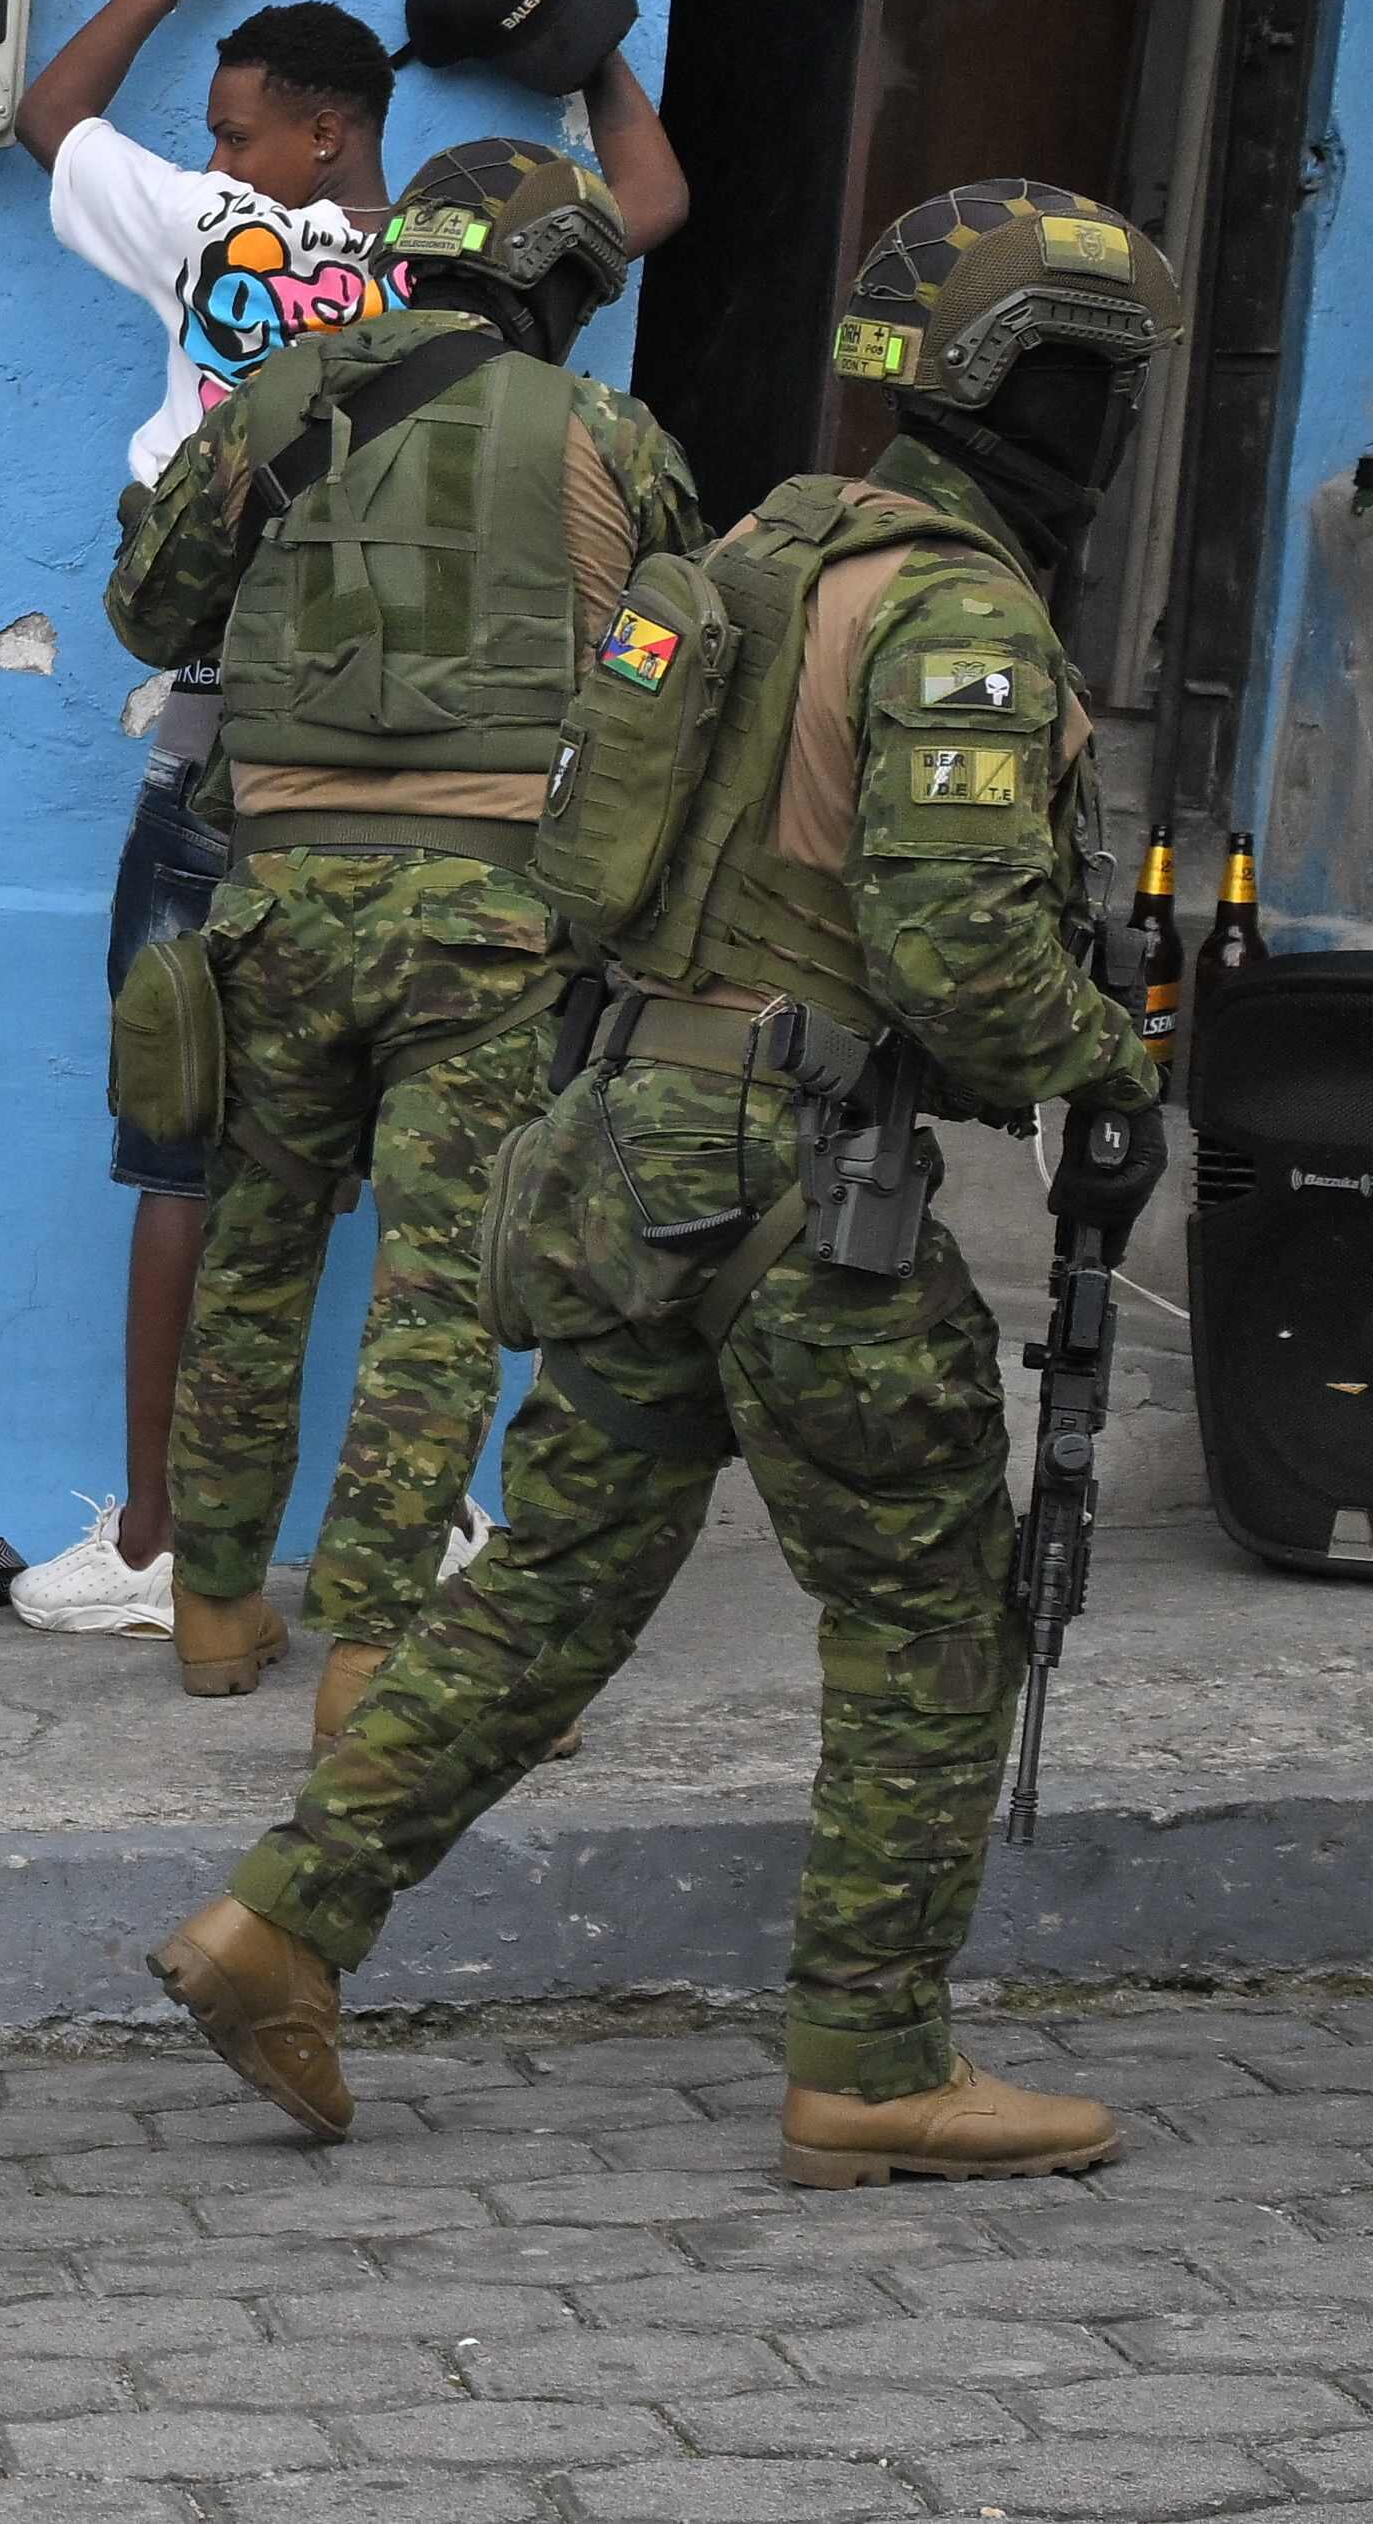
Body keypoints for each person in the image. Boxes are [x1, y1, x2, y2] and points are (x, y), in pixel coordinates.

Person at [153, 183, 1182, 2189]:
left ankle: (277, 1920)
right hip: (814, 1188)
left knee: (545, 1587)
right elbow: (958, 959)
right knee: (920, 1613)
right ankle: (870, 2059)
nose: (1114, 430)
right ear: (1031, 393)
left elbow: (600, 858)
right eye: (1101, 387)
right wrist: (1106, 1072)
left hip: (636, 1141)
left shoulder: (751, 556)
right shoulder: (952, 617)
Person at [6, 0, 688, 1644]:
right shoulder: (491, 293)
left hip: (237, 776)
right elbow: (647, 199)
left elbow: (47, 116)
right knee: (438, 1210)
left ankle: (167, 1551)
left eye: (238, 130)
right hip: (471, 834)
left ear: (320, 131)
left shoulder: (220, 247)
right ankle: (420, 1542)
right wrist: (582, 27)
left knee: (204, 1175)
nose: (218, 159)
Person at [104, 141, 710, 1738]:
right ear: (560, 285)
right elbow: (679, 667)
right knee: (435, 1295)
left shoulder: (276, 401)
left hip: (278, 903)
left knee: (253, 1254)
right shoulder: (605, 434)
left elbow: (147, 616)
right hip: (494, 927)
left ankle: (217, 1611)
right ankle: (371, 1651)